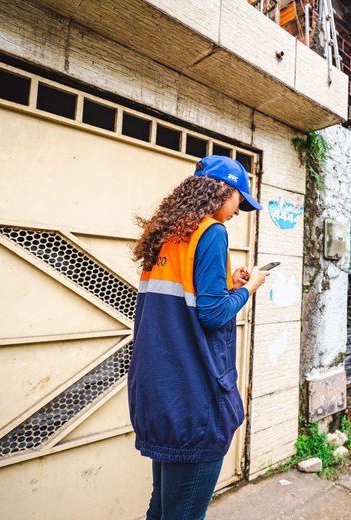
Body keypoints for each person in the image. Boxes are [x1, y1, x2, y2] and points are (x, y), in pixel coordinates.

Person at [128, 155, 268, 520]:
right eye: (240, 199)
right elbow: (211, 314)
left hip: (161, 394)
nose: (239, 211)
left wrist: (228, 285)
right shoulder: (212, 232)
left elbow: (188, 302)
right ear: (223, 190)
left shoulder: (168, 235)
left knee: (161, 509)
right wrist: (250, 288)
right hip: (194, 399)